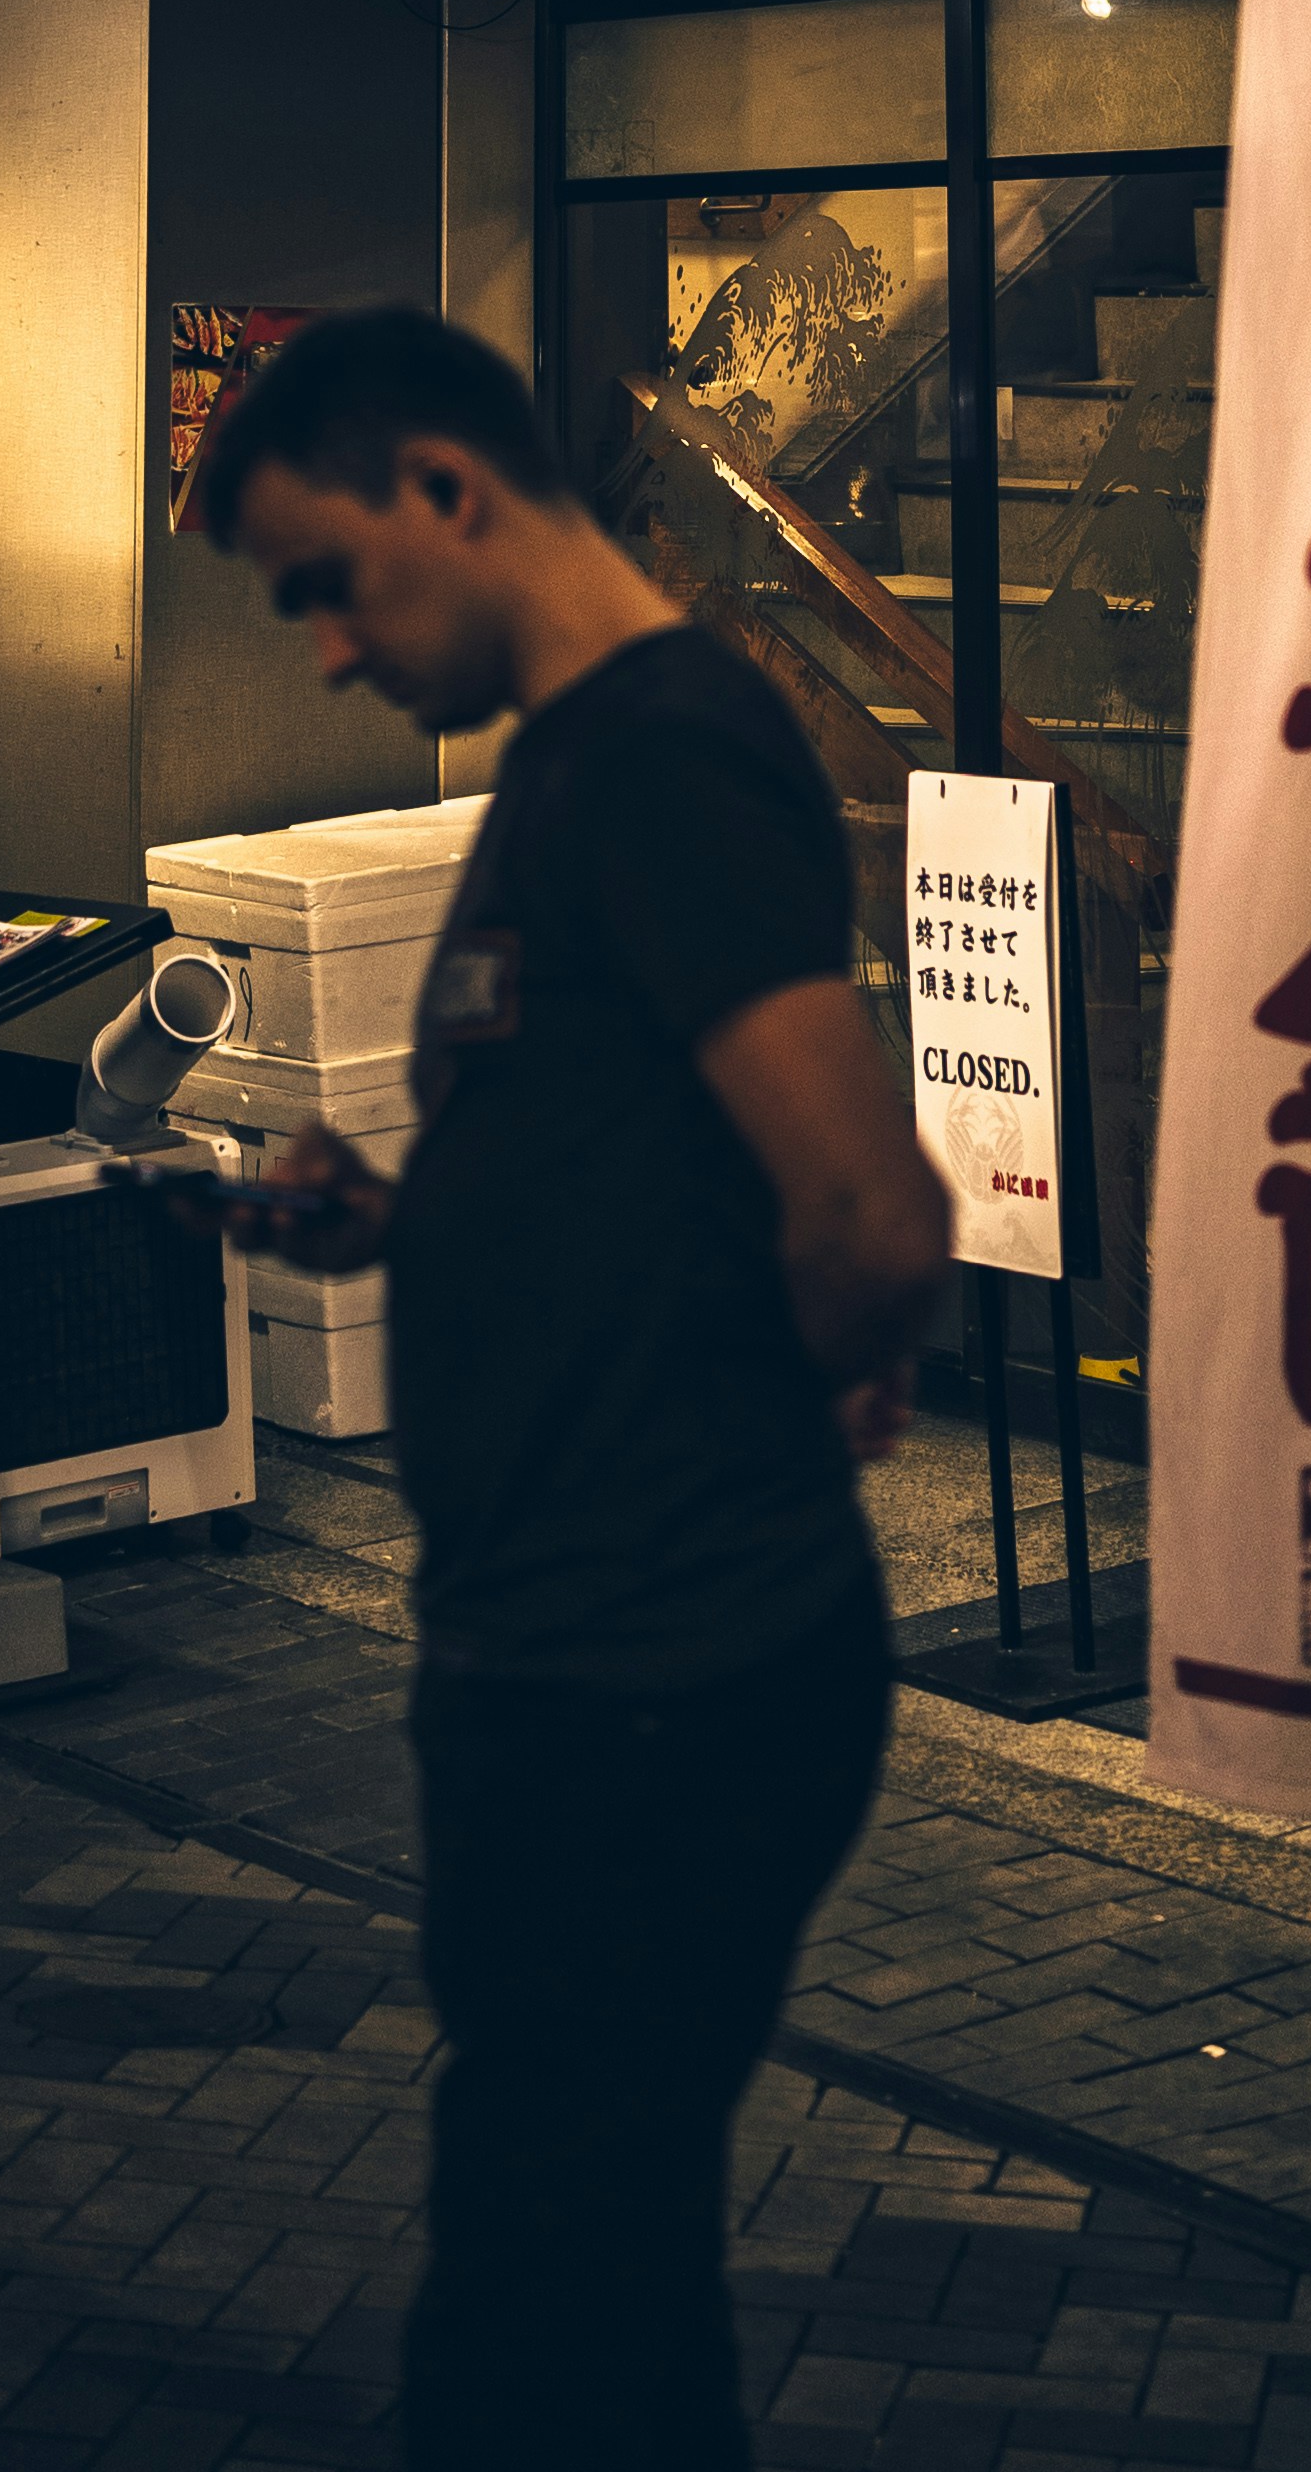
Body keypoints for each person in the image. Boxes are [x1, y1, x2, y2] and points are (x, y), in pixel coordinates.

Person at [185, 306, 950, 2472]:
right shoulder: (573, 763)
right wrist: (418, 1232)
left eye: (322, 578)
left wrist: (792, 1395)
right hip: (583, 1654)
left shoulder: (663, 748)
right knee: (588, 2277)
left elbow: (867, 1217)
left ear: (445, 487)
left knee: (548, 2291)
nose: (324, 649)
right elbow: (656, 1181)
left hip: (652, 1667)